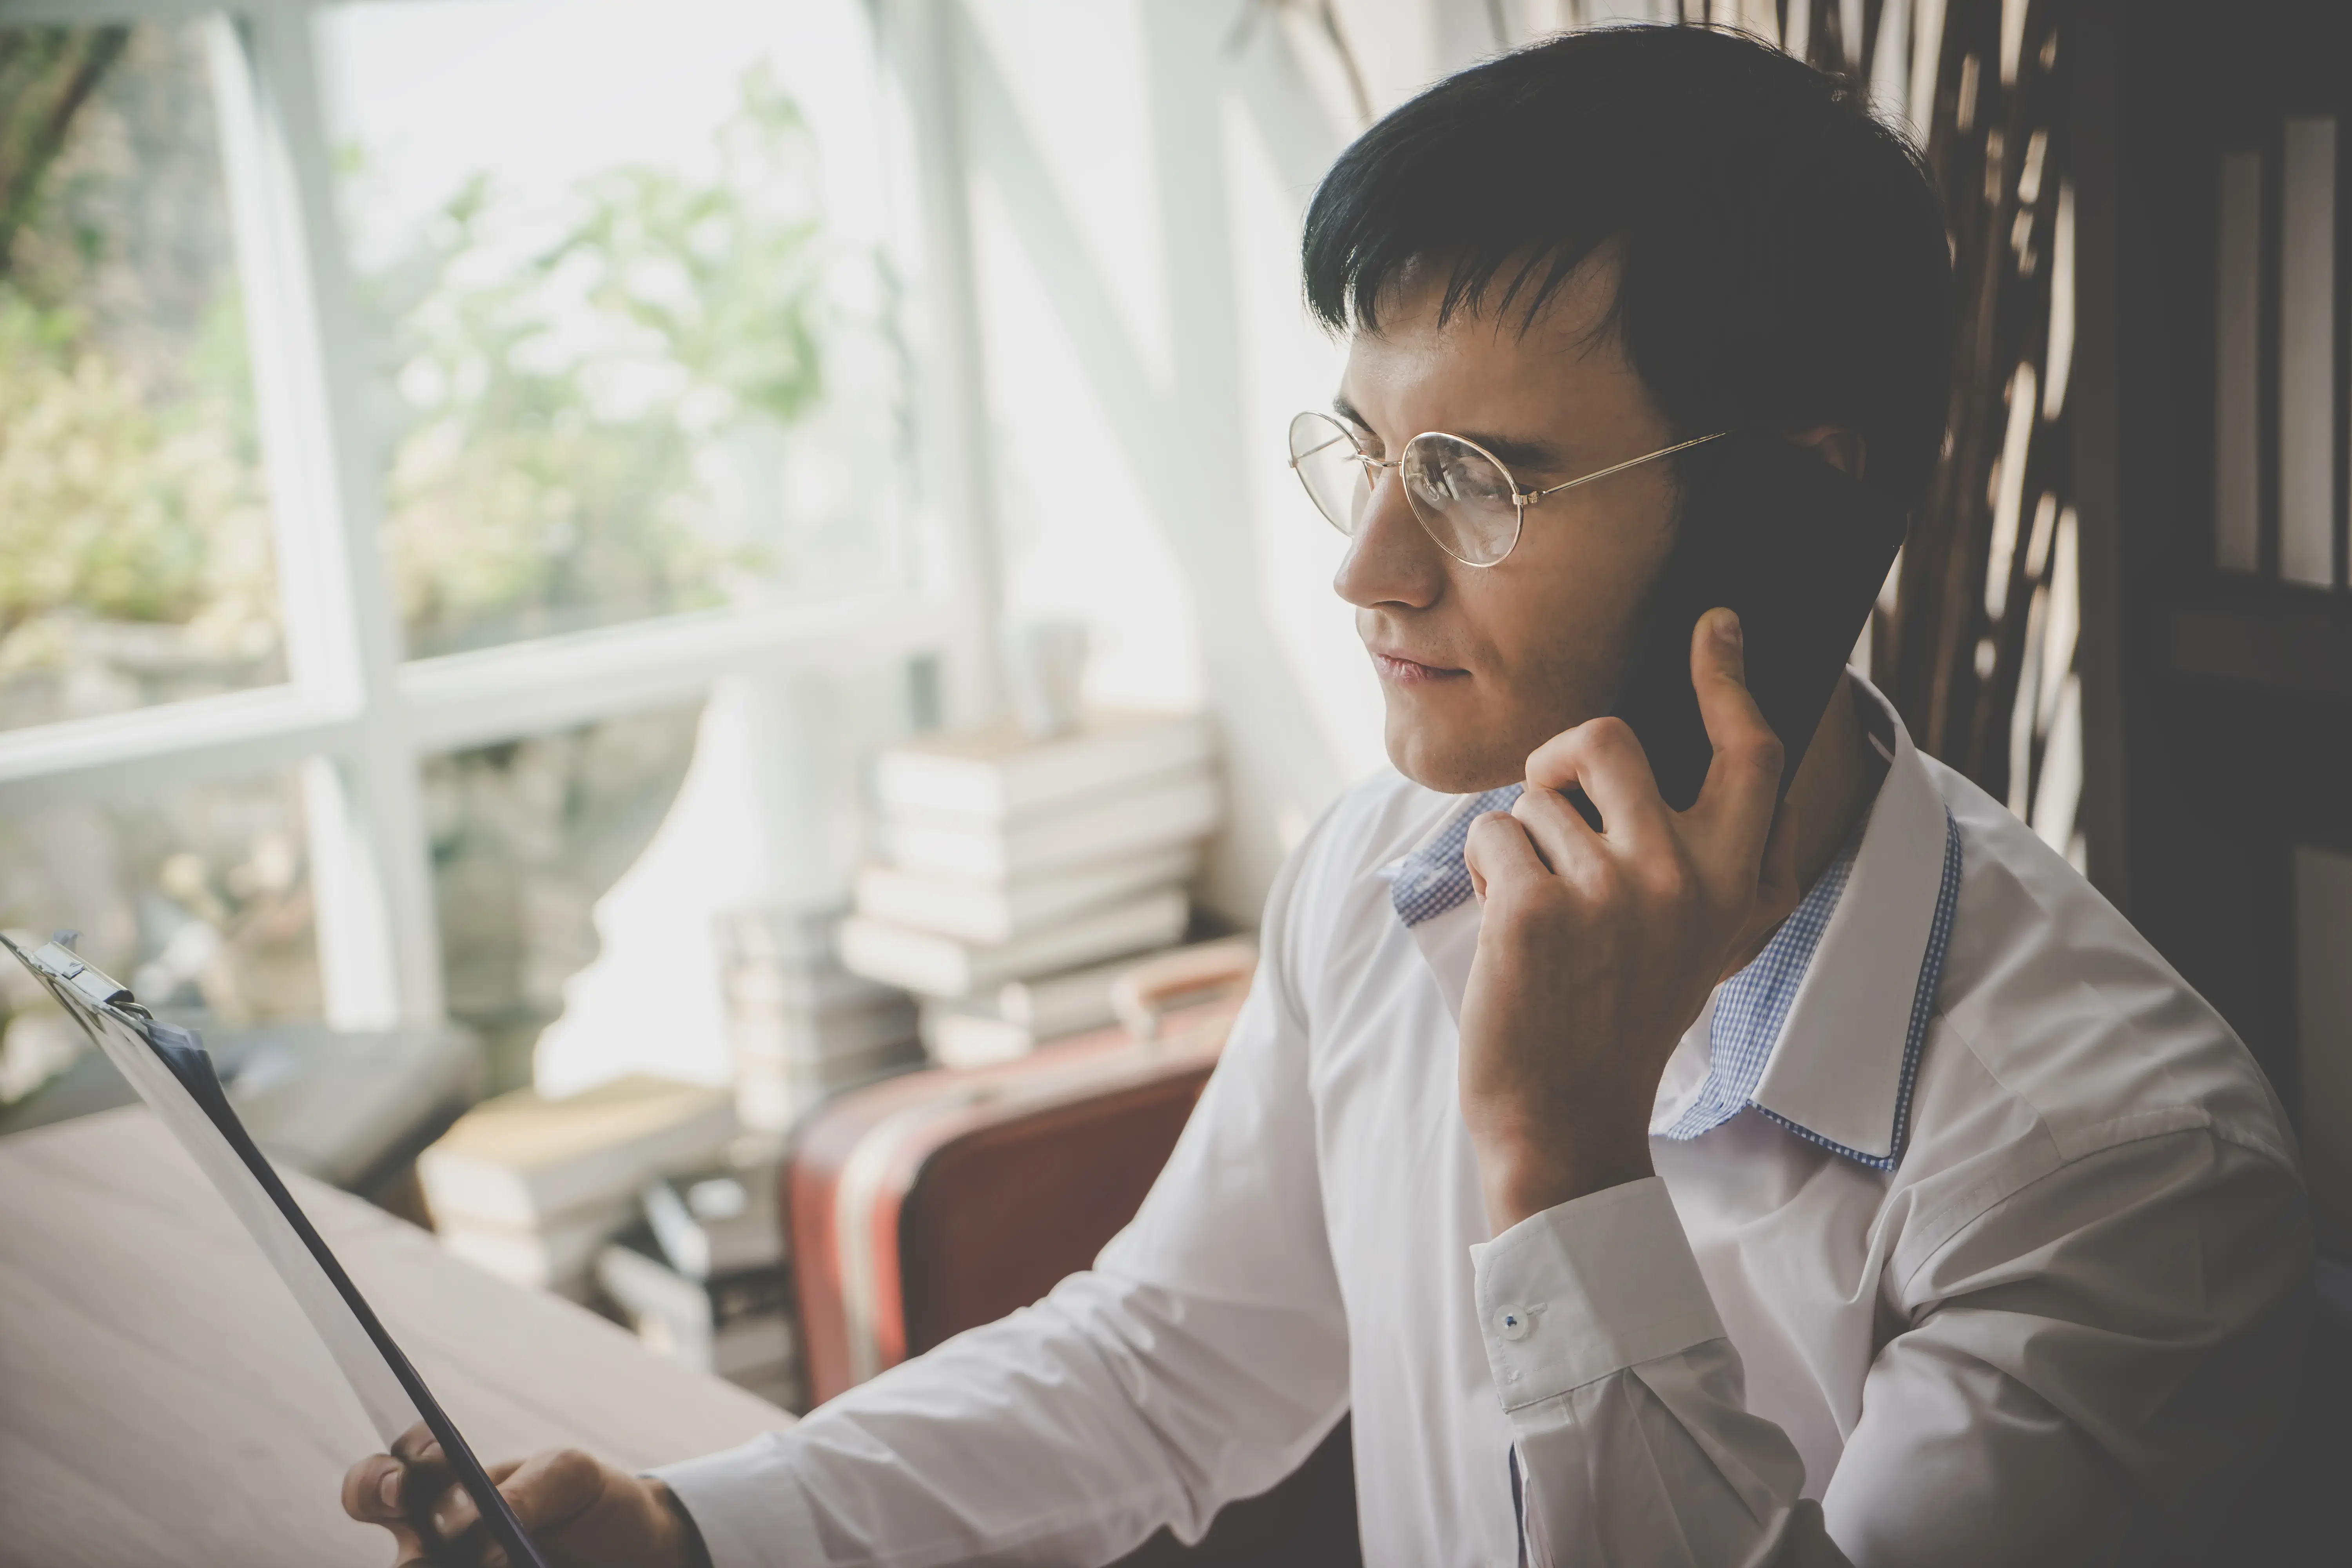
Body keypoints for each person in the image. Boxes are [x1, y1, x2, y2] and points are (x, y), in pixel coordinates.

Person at [345, 24, 2310, 1567]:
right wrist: (701, 1527)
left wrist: (1566, 1162)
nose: (1366, 568)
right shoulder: (1391, 870)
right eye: (1363, 451)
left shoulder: (2114, 1171)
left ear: (1784, 509)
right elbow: (1175, 1360)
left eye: (1476, 479)